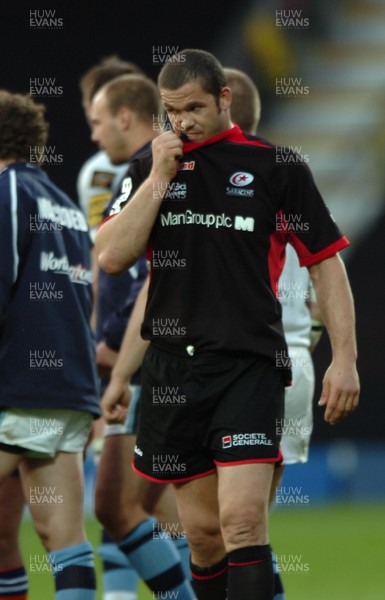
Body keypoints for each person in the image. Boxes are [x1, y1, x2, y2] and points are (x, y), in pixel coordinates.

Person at [96, 49, 360, 600]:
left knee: (242, 522)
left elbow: (326, 262)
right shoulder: (149, 167)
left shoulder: (276, 167)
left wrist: (345, 358)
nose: (184, 121)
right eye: (172, 112)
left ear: (224, 98)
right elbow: (112, 257)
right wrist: (159, 179)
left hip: (248, 366)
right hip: (172, 372)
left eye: (194, 107)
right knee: (203, 536)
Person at [89, 74, 195, 600]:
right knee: (200, 521)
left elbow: (136, 273)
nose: (93, 134)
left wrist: (115, 351)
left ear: (125, 117)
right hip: (176, 358)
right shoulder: (151, 172)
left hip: (151, 358)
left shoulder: (143, 174)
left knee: (115, 504)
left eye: (98, 120)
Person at [0, 90, 100, 599]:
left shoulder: (7, 194)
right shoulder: (65, 206)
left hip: (21, 389)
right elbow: (83, 297)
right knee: (62, 537)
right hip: (70, 392)